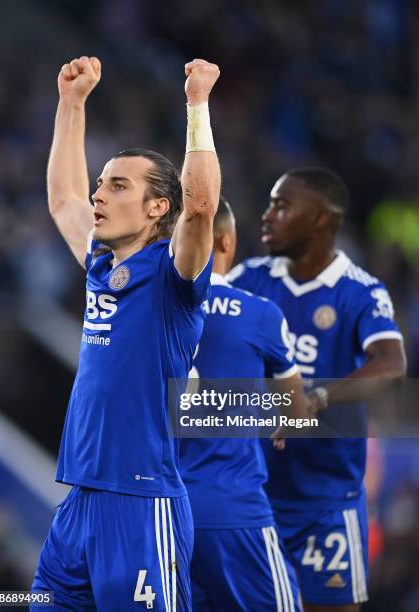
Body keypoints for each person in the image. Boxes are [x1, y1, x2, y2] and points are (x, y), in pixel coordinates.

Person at [31, 55, 221, 611]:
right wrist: (71, 104)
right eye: (102, 184)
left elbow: (202, 205)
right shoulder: (100, 264)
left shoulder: (173, 275)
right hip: (79, 502)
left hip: (142, 505)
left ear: (158, 206)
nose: (99, 196)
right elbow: (63, 198)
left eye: (117, 186)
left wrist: (197, 105)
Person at [228, 168, 406, 612]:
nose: (267, 216)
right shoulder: (249, 279)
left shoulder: (360, 292)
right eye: (270, 203)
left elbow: (391, 364)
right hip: (252, 496)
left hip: (325, 503)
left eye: (282, 206)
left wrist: (319, 398)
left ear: (321, 221)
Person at [180, 196, 306, 611]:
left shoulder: (148, 312)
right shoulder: (261, 314)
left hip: (163, 512)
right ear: (227, 242)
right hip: (235, 510)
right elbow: (296, 409)